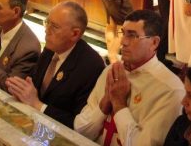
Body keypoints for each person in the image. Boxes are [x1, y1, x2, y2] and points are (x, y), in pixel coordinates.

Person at [75, 10, 185, 146]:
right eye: (123, 33)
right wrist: (104, 104)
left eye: (132, 36)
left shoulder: (170, 90)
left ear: (154, 43)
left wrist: (119, 104)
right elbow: (80, 130)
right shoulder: (111, 71)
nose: (123, 42)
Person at [5, 1, 104, 128]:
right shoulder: (50, 49)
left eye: (54, 27)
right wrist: (21, 91)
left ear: (75, 34)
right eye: (47, 23)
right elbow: (33, 85)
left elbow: (79, 124)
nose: (46, 30)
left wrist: (37, 105)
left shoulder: (91, 66)